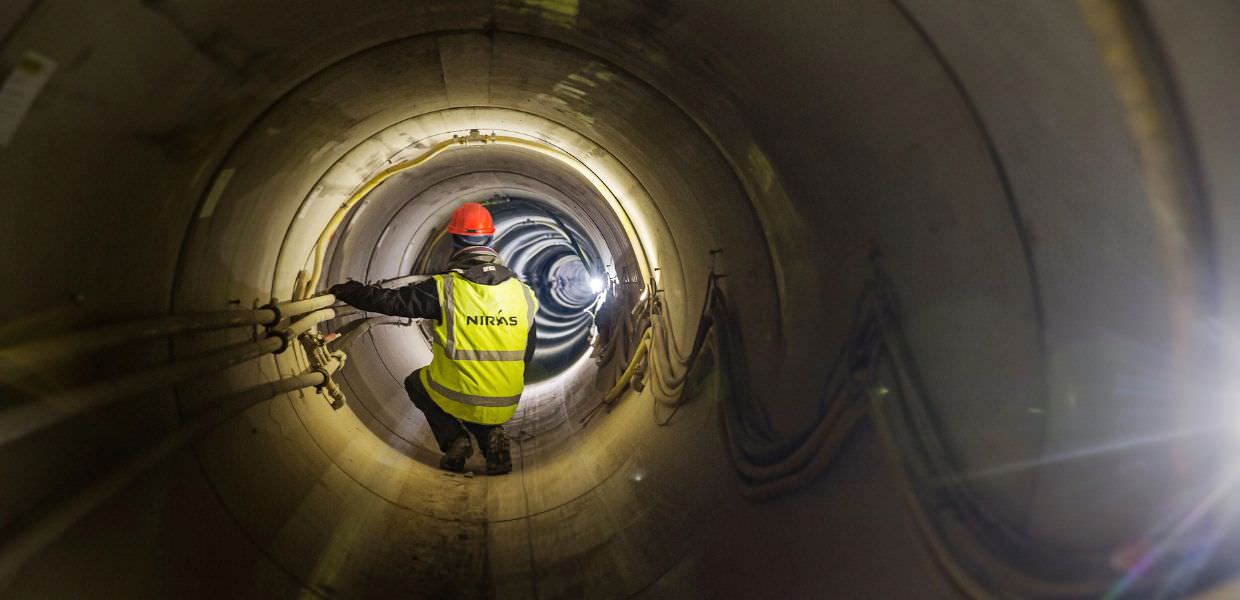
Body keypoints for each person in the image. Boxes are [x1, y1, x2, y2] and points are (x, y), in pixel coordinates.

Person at [329, 202, 539, 475]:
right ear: (491, 239)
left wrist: (350, 291)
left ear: (454, 240)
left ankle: (455, 439)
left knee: (419, 384)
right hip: (507, 400)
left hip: (461, 393)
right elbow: (528, 351)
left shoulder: (445, 288)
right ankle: (491, 436)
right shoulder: (522, 293)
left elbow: (392, 302)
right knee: (474, 396)